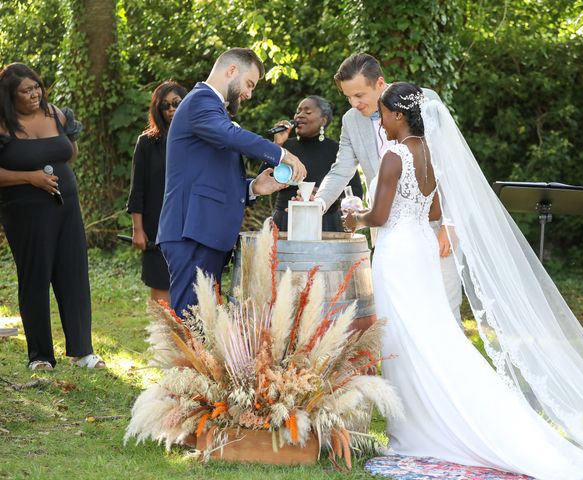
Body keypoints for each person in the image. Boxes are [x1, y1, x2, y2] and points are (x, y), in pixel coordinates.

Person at [343, 82, 583, 479]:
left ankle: (413, 429)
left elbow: (379, 217)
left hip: (397, 252)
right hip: (422, 248)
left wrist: (354, 216)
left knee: (402, 339)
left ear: (398, 115)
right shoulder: (431, 152)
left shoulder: (396, 155)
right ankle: (417, 424)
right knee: (429, 335)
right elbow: (432, 206)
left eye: (381, 113)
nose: (379, 120)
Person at [156, 48, 306, 317]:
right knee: (190, 326)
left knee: (203, 326)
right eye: (249, 84)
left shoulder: (212, 111)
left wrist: (253, 188)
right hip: (189, 230)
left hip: (202, 231)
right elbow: (229, 136)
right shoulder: (200, 101)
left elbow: (209, 174)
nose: (248, 94)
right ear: (231, 71)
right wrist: (281, 153)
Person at [314, 53, 462, 324]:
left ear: (379, 82)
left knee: (443, 312)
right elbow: (341, 169)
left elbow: (450, 165)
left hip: (435, 226)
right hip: (390, 235)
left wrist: (451, 223)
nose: (354, 103)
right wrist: (318, 204)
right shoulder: (351, 120)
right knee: (398, 317)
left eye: (359, 95)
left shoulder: (423, 101)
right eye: (348, 97)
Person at [0, 63, 104, 370]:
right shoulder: (3, 125)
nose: (34, 95)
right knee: (35, 277)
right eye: (25, 91)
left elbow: (69, 152)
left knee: (73, 274)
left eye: (36, 88)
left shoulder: (57, 114)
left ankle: (82, 351)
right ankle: (41, 356)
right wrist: (31, 178)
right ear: (10, 94)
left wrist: (53, 167)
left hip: (66, 206)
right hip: (24, 211)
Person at [127, 80, 187, 304]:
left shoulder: (197, 141)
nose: (171, 109)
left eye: (176, 103)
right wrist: (138, 230)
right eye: (165, 105)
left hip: (189, 226)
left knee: (190, 294)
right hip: (156, 228)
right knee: (162, 299)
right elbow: (137, 190)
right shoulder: (146, 143)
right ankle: (164, 339)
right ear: (157, 109)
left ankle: (187, 340)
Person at [263, 95, 363, 231]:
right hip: (285, 222)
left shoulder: (336, 150)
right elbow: (262, 180)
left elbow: (355, 191)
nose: (300, 115)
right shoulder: (284, 147)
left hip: (324, 223)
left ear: (323, 120)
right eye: (298, 111)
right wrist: (277, 145)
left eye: (308, 112)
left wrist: (322, 195)